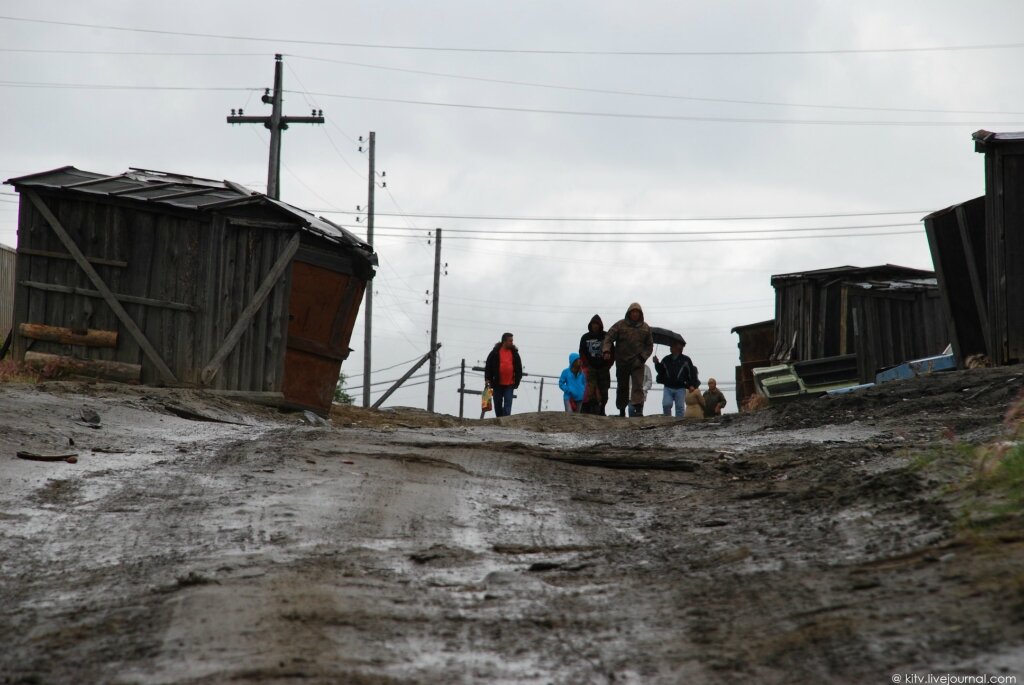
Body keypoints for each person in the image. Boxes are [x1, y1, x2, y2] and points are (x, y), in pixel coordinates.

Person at [602, 303, 654, 417]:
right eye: (633, 312)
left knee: (638, 386)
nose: (635, 314)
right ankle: (621, 410)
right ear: (629, 313)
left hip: (638, 362)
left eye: (637, 312)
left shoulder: (645, 328)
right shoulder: (620, 325)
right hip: (622, 361)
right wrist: (606, 351)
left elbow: (649, 346)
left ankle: (638, 409)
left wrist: (642, 357)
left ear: (640, 314)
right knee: (622, 386)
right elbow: (608, 337)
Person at [653, 340, 699, 417]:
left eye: (673, 345)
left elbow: (692, 372)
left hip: (680, 387)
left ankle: (679, 423)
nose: (671, 347)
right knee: (666, 404)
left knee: (680, 407)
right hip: (668, 386)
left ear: (679, 347)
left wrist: (692, 384)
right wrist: (656, 363)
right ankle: (667, 420)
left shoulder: (686, 360)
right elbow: (660, 371)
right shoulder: (666, 359)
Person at [484, 332, 523, 417]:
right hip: (497, 383)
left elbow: (519, 369)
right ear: (504, 341)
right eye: (510, 341)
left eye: (512, 341)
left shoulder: (514, 353)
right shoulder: (495, 352)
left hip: (510, 384)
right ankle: (499, 419)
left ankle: (506, 421)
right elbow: (488, 366)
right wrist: (487, 379)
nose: (512, 343)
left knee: (508, 404)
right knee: (497, 404)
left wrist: (517, 381)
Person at [578, 314, 611, 415]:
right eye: (593, 324)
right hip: (591, 367)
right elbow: (582, 352)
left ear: (600, 325)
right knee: (590, 389)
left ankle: (602, 409)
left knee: (604, 390)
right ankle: (589, 410)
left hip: (603, 368)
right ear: (590, 325)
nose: (595, 326)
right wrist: (586, 364)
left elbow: (612, 351)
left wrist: (608, 364)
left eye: (597, 324)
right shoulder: (585, 337)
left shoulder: (606, 336)